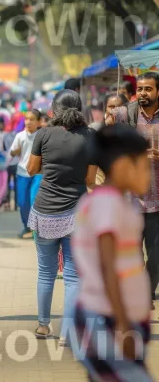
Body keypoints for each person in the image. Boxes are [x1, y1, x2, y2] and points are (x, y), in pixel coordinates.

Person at [72, 124, 152, 382]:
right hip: (109, 317)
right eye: (144, 165)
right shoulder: (107, 204)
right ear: (122, 166)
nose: (149, 174)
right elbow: (109, 266)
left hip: (114, 317)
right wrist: (122, 324)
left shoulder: (108, 202)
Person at [26, 89, 97, 342]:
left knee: (45, 273)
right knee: (72, 275)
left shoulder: (43, 134)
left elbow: (31, 169)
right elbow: (90, 179)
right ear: (79, 108)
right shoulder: (90, 137)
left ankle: (43, 326)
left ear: (54, 109)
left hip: (44, 211)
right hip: (77, 212)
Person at [106, 72, 159, 310]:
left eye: (148, 89)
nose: (142, 93)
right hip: (130, 200)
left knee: (156, 256)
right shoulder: (127, 114)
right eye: (140, 89)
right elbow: (106, 126)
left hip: (158, 201)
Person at [11, 109, 43, 239]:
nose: (28, 122)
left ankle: (37, 229)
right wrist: (18, 149)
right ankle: (27, 226)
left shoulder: (42, 135)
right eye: (26, 119)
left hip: (38, 173)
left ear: (38, 122)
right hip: (23, 173)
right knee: (23, 202)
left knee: (34, 199)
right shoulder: (20, 136)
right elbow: (12, 153)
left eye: (32, 119)